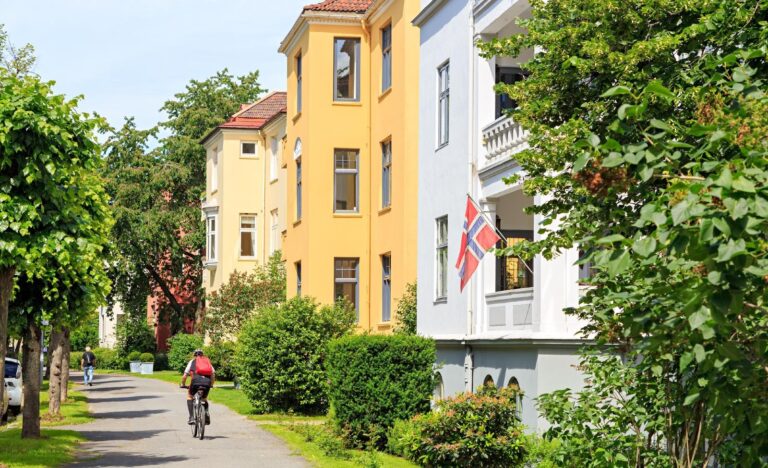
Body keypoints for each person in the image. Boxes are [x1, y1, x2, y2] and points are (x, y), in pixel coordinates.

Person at [180, 349, 215, 425]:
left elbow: (185, 375)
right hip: (207, 382)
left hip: (195, 382)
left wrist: (182, 384)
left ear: (194, 355)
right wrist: (211, 384)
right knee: (204, 399)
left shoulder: (192, 361)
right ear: (202, 355)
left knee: (190, 396)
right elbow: (213, 375)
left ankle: (191, 417)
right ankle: (206, 413)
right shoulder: (207, 362)